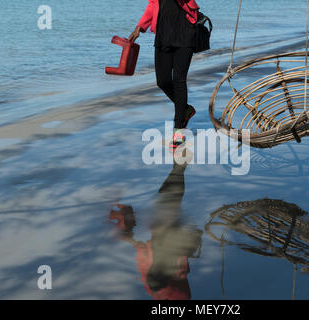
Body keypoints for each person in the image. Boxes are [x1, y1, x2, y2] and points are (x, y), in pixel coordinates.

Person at [110, 158, 202, 300]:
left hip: (162, 231)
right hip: (169, 232)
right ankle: (180, 163)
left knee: (167, 196)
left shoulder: (151, 279)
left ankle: (179, 163)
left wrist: (130, 238)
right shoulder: (174, 282)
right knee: (169, 197)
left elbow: (142, 252)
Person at [128, 0, 200, 148]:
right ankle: (185, 109)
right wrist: (140, 27)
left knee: (179, 81)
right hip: (163, 34)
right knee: (162, 81)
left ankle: (179, 131)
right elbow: (153, 4)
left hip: (185, 31)